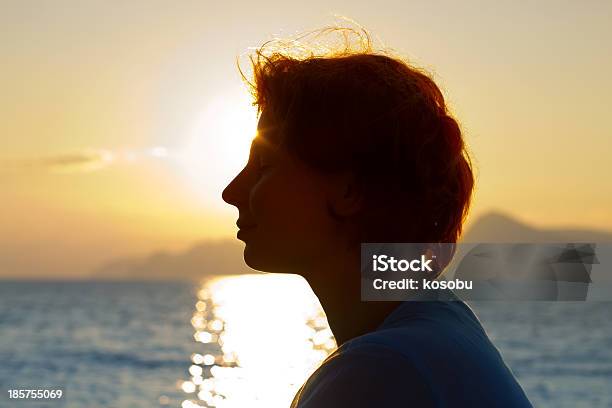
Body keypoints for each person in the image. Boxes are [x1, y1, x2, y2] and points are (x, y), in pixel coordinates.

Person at [222, 27, 533, 407]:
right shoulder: (439, 333)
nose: (231, 193)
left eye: (264, 165)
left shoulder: (381, 371)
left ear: (350, 190)